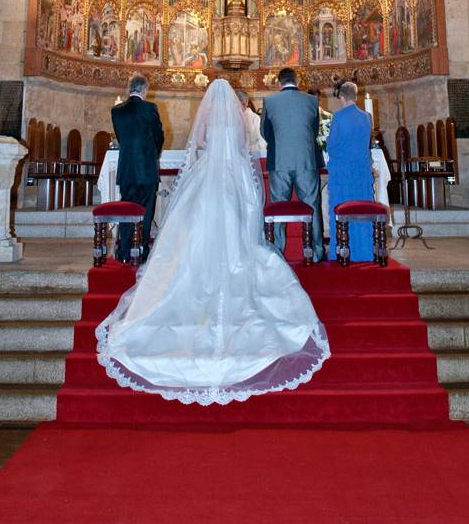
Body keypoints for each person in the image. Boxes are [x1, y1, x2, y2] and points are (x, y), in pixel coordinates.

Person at [96, 79, 330, 405]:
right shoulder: (237, 119)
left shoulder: (203, 118)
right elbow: (244, 142)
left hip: (208, 174)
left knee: (196, 225)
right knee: (237, 226)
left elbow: (202, 141)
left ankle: (191, 270)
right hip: (233, 174)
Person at [260, 67, 325, 261]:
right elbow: (313, 131)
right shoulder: (312, 101)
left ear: (279, 83)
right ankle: (316, 251)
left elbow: (265, 132)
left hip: (280, 161)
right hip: (306, 160)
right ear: (297, 81)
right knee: (312, 205)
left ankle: (277, 252)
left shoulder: (270, 101)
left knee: (278, 207)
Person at [111, 73, 165, 263]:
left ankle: (124, 250)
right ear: (144, 89)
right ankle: (140, 250)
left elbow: (120, 138)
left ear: (129, 88)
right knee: (145, 210)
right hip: (146, 168)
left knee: (127, 208)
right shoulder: (149, 108)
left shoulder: (116, 111)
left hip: (126, 168)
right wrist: (153, 153)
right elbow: (159, 136)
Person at [326, 81, 377, 261]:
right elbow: (366, 143)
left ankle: (341, 248)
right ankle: (363, 250)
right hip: (361, 171)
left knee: (342, 208)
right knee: (361, 208)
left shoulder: (338, 116)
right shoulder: (366, 117)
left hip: (342, 172)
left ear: (341, 96)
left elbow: (332, 144)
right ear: (356, 96)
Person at [235, 89, 266, 154]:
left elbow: (262, 141)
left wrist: (248, 149)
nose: (241, 108)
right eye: (238, 105)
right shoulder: (231, 118)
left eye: (243, 104)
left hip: (252, 153)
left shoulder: (255, 118)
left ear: (247, 102)